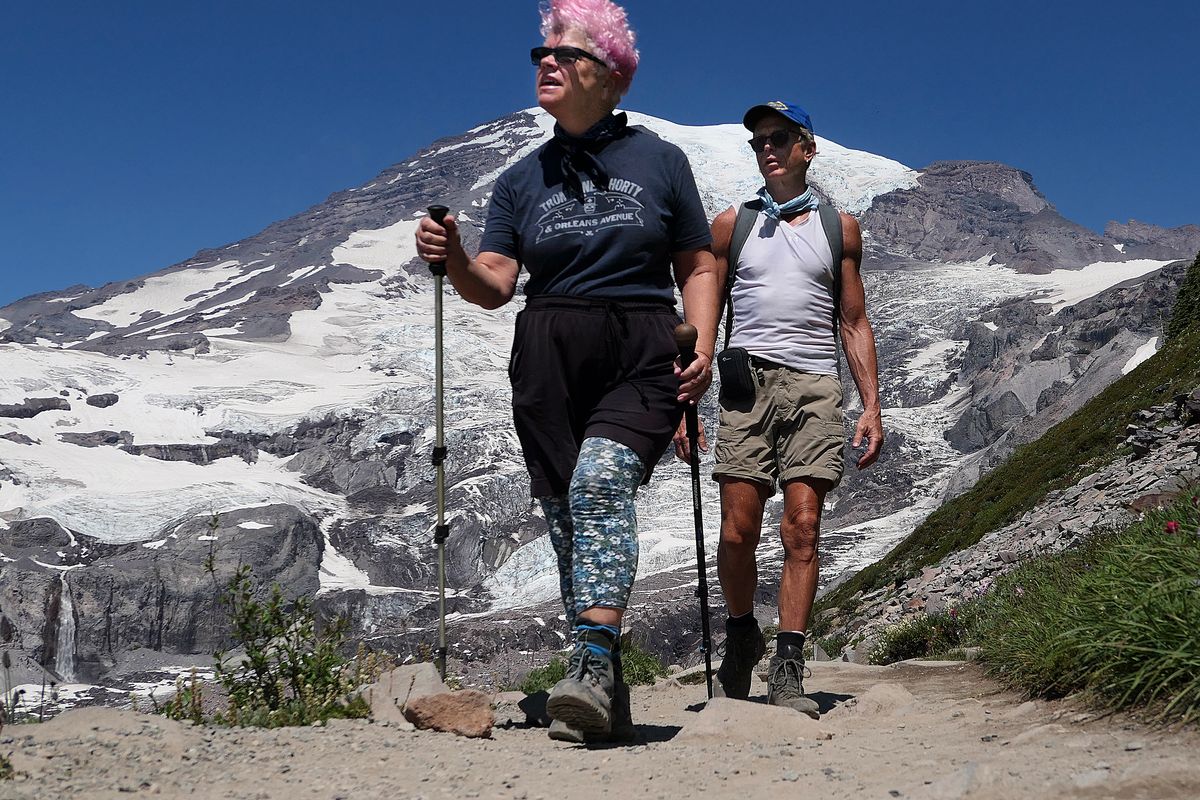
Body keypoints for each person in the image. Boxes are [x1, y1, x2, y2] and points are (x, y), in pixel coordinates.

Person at [415, 0, 720, 742]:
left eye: (567, 54)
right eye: (541, 54)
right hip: (547, 351)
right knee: (564, 524)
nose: (547, 63)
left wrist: (703, 345)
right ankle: (599, 682)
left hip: (643, 343)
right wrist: (452, 254)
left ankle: (590, 665)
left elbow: (696, 261)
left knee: (601, 484)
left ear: (611, 77)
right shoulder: (522, 179)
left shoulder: (660, 160)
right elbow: (492, 283)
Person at [675, 100, 883, 717]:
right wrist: (696, 373)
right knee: (737, 533)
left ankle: (789, 665)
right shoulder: (730, 224)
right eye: (759, 140)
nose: (766, 147)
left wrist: (871, 404)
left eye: (779, 137)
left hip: (816, 387)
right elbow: (704, 305)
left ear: (807, 148)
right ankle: (743, 634)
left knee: (803, 527)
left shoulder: (839, 227)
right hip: (746, 386)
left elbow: (853, 319)